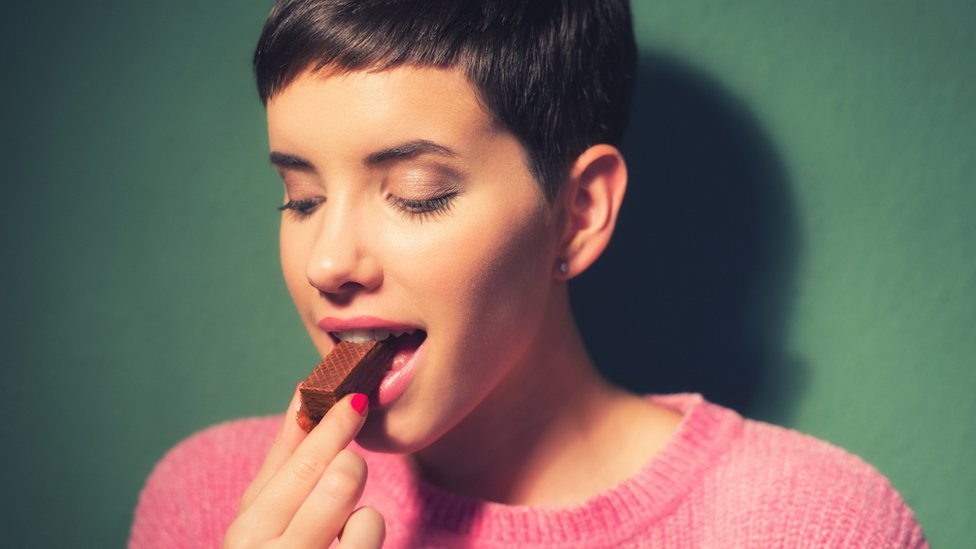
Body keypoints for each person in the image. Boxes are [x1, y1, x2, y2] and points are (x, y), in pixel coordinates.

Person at [130, 1, 926, 547]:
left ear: (578, 212)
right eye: (301, 198)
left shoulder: (811, 525)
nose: (327, 262)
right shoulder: (206, 499)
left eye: (417, 194)